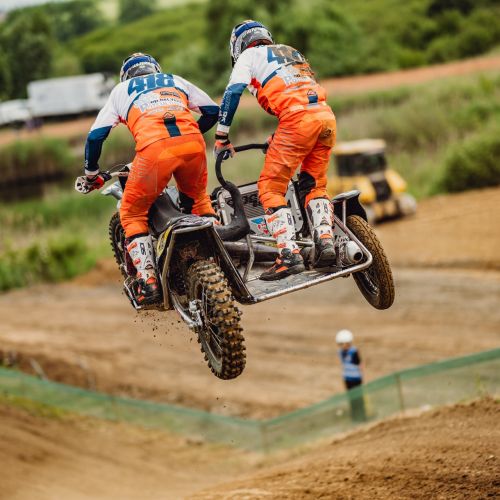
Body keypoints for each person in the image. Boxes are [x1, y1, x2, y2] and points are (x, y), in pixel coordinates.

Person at [76, 53, 219, 305]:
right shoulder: (174, 80)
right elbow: (212, 111)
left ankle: (148, 281)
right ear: (155, 69)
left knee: (132, 213)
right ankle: (221, 256)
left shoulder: (121, 90)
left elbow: (95, 136)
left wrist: (91, 174)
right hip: (193, 144)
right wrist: (189, 133)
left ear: (126, 76)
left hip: (155, 150)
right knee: (198, 199)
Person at [214, 20, 337, 280]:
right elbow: (300, 95)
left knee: (270, 188)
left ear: (237, 46)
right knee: (315, 183)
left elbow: (232, 92)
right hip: (325, 117)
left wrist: (221, 135)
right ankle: (326, 241)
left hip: (297, 122)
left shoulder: (248, 56)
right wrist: (279, 136)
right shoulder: (290, 51)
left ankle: (288, 255)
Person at [336, 329, 366, 422]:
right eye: (340, 344)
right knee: (351, 398)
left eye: (343, 344)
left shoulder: (354, 351)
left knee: (359, 398)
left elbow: (359, 363)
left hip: (356, 378)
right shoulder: (340, 352)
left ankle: (362, 416)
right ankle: (355, 417)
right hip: (347, 378)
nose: (342, 346)